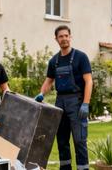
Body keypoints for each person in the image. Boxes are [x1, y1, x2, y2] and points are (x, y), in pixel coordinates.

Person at [35, 25, 93, 170]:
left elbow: (89, 81)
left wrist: (86, 103)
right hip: (60, 102)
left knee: (79, 140)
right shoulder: (54, 61)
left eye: (66, 36)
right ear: (56, 39)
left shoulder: (81, 57)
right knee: (61, 140)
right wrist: (42, 93)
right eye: (61, 36)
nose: (64, 39)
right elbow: (49, 81)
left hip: (77, 102)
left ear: (70, 37)